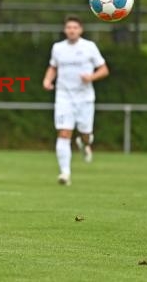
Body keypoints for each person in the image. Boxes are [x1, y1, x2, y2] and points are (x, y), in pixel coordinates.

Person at [42, 15, 109, 186]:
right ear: (65, 30)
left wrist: (91, 77)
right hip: (64, 96)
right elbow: (53, 67)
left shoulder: (89, 47)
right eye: (69, 27)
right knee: (64, 133)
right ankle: (65, 173)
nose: (71, 30)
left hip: (85, 97)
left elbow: (104, 69)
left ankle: (84, 143)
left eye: (75, 27)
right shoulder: (58, 48)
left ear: (80, 30)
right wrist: (47, 80)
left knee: (86, 134)